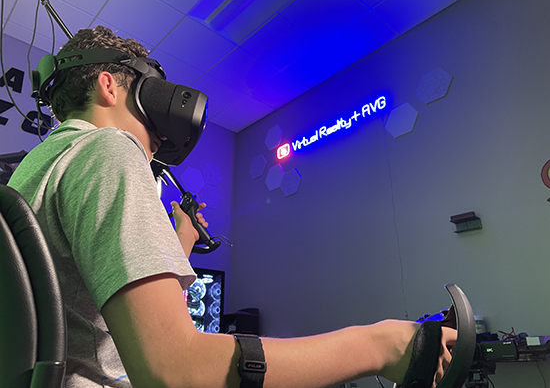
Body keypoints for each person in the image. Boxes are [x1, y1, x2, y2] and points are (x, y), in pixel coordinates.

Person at [7, 26, 455, 388]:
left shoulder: (37, 168)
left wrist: (181, 234)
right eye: (149, 92)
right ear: (109, 85)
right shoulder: (110, 150)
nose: (160, 133)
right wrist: (380, 346)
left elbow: (102, 312)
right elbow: (175, 369)